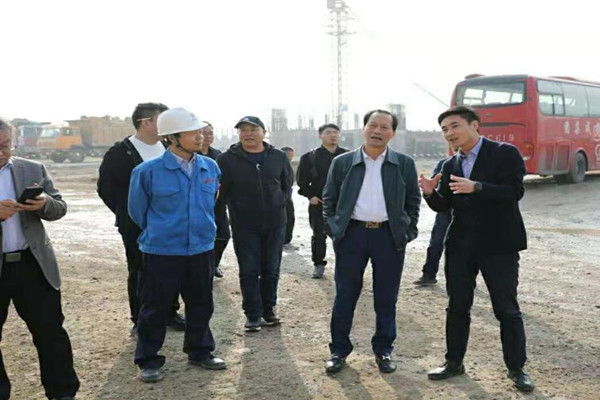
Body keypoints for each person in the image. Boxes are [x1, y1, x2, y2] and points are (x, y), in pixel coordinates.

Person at [419, 106, 534, 392]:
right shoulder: (449, 165)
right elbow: (444, 206)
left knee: (506, 309)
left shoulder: (504, 153)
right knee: (457, 306)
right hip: (461, 246)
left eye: (455, 126)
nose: (450, 133)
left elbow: (515, 192)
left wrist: (478, 186)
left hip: (499, 246)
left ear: (474, 125)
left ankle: (516, 368)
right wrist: (429, 192)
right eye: (445, 130)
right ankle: (453, 362)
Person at [128, 108, 226, 383]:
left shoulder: (210, 167)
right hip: (162, 251)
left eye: (200, 132)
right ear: (172, 138)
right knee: (155, 307)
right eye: (192, 133)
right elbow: (137, 212)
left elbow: (212, 203)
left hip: (201, 249)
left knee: (201, 303)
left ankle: (200, 351)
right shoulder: (147, 171)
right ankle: (148, 360)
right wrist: (163, 230)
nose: (200, 136)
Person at [322, 110, 420, 374]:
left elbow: (413, 200)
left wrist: (407, 231)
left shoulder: (404, 164)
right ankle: (338, 350)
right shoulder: (343, 162)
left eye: (384, 127)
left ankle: (384, 350)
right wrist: (335, 229)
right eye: (373, 125)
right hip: (352, 235)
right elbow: (329, 199)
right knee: (345, 295)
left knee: (386, 297)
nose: (377, 131)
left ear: (393, 133)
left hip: (388, 237)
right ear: (363, 129)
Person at [0, 118, 79, 400]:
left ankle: (62, 392)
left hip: (32, 265)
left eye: (5, 145)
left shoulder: (32, 169)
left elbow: (60, 207)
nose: (1, 153)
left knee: (50, 333)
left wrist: (44, 204)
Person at [98, 103, 186, 335]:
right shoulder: (120, 154)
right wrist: (127, 214)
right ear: (146, 123)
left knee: (172, 268)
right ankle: (140, 318)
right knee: (140, 270)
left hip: (170, 222)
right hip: (136, 225)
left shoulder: (169, 147)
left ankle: (170, 312)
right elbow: (106, 189)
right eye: (162, 120)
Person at [216, 116, 293, 332]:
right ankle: (252, 314)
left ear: (264, 132)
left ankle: (269, 310)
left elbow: (287, 185)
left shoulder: (278, 157)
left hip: (275, 223)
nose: (248, 134)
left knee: (271, 268)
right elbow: (222, 193)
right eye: (243, 130)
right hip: (244, 224)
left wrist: (278, 203)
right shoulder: (227, 159)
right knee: (249, 269)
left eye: (253, 129)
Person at [296, 123, 347, 278]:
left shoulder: (348, 156)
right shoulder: (310, 157)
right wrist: (310, 196)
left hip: (343, 204)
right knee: (319, 234)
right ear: (320, 136)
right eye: (328, 132)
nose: (333, 136)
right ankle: (318, 264)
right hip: (319, 203)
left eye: (336, 132)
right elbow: (302, 181)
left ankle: (345, 266)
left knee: (345, 236)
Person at [198, 122, 230, 278]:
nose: (207, 136)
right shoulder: (191, 154)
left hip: (218, 202)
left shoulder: (218, 155)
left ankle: (214, 264)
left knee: (223, 235)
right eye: (204, 133)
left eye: (210, 133)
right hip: (198, 203)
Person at [413, 157, 451, 286]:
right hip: (445, 211)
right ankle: (429, 275)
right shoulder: (445, 163)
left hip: (468, 213)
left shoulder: (479, 163)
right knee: (436, 243)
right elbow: (435, 187)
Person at [280, 146, 297, 250]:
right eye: (289, 156)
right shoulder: (277, 166)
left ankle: (287, 240)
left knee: (290, 218)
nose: (291, 158)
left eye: (292, 156)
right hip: (279, 197)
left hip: (288, 197)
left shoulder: (289, 165)